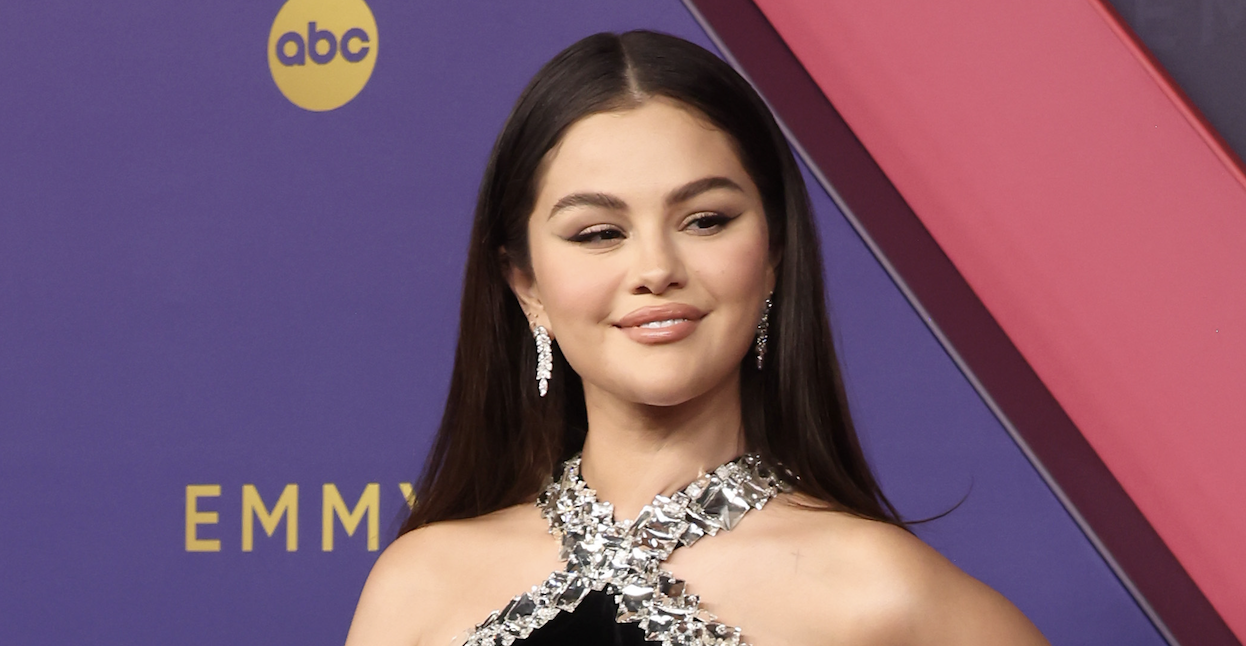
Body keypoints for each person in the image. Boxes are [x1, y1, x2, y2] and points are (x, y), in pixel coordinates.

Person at [345, 30, 1049, 646]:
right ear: (525, 283)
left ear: (772, 252)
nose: (656, 269)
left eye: (706, 220)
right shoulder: (419, 586)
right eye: (599, 234)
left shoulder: (883, 595)